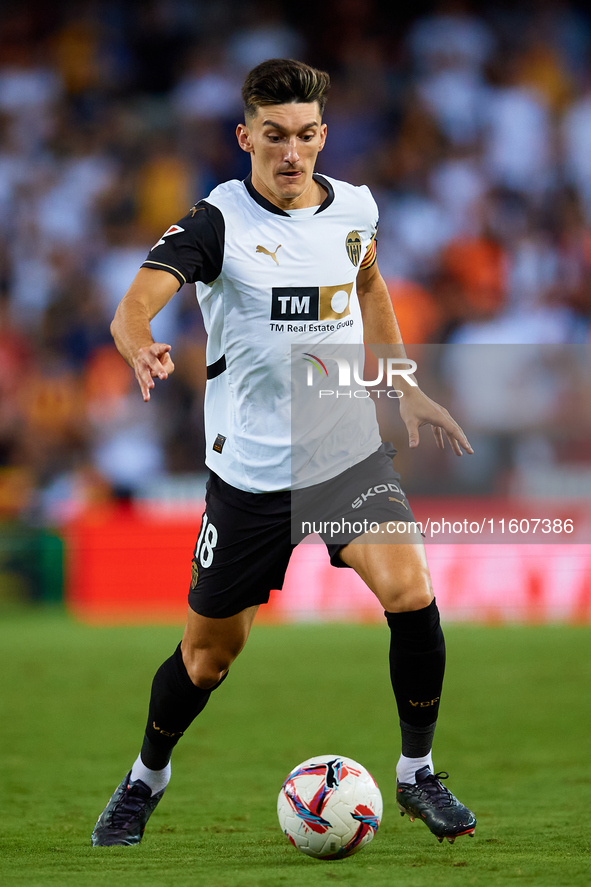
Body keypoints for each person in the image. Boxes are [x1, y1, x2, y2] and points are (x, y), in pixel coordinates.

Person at [91, 58, 476, 848]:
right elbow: (134, 304)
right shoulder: (215, 222)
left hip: (344, 456)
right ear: (246, 137)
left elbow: (367, 283)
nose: (291, 152)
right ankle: (144, 780)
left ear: (323, 136)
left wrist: (402, 385)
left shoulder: (355, 209)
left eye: (305, 136)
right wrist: (140, 344)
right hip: (250, 475)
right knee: (206, 659)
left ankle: (416, 774)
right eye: (274, 137)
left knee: (409, 590)